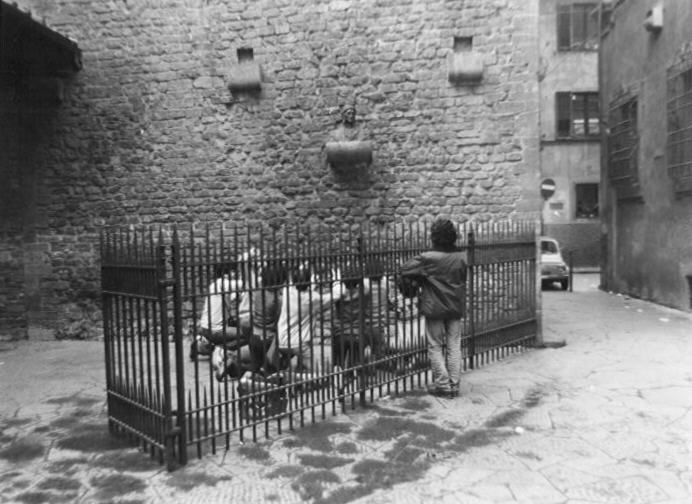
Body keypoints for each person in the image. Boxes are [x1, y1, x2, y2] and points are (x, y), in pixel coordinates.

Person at [399, 219, 467, 398]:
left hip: (434, 306)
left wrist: (423, 277)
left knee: (435, 346)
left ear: (434, 237)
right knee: (454, 345)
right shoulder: (462, 256)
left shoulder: (428, 257)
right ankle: (454, 384)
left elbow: (405, 269)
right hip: (455, 306)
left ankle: (443, 385)